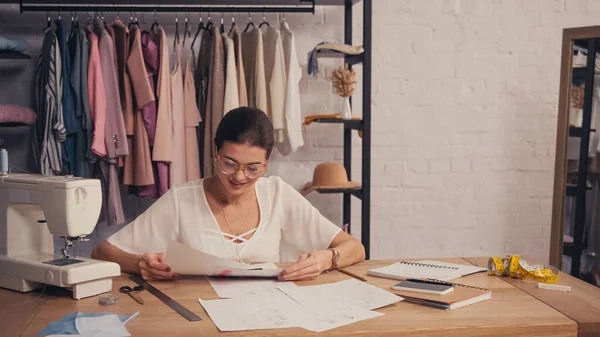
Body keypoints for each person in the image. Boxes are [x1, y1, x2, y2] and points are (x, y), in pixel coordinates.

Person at [92, 107, 365, 281]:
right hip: (198, 319)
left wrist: (326, 259)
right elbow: (102, 252)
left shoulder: (278, 195)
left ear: (267, 162)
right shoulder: (181, 199)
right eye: (229, 163)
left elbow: (356, 248)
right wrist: (140, 263)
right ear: (216, 152)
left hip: (267, 320)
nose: (239, 176)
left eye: (253, 168)